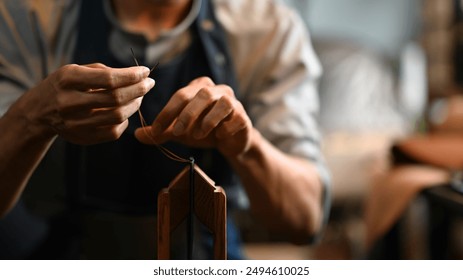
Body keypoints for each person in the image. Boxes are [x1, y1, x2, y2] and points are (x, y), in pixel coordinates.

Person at [0, 0, 330, 259]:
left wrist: (247, 146)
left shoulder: (270, 29)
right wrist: (33, 117)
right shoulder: (28, 18)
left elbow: (305, 220)